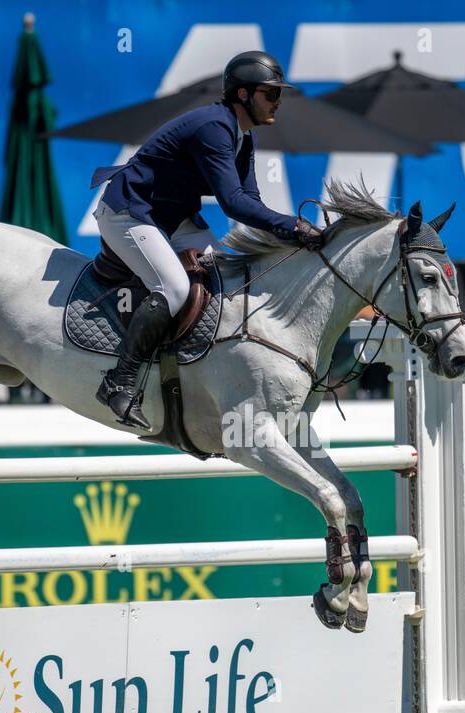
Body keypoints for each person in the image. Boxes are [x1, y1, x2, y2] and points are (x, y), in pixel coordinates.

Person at [88, 50, 325, 429]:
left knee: (225, 278)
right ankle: (120, 381)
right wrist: (294, 227)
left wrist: (290, 235)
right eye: (271, 93)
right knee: (174, 288)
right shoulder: (214, 127)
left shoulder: (243, 137)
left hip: (171, 217)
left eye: (279, 94)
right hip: (129, 212)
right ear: (243, 94)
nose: (278, 102)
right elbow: (233, 204)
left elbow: (251, 202)